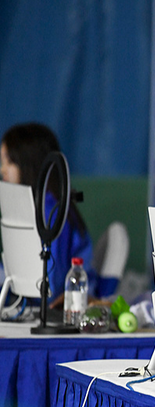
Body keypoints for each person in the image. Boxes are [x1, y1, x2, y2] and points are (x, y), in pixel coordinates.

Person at [0, 123, 96, 303]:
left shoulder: (52, 214)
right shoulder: (33, 209)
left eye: (9, 161)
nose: (2, 170)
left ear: (30, 162)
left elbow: (51, 286)